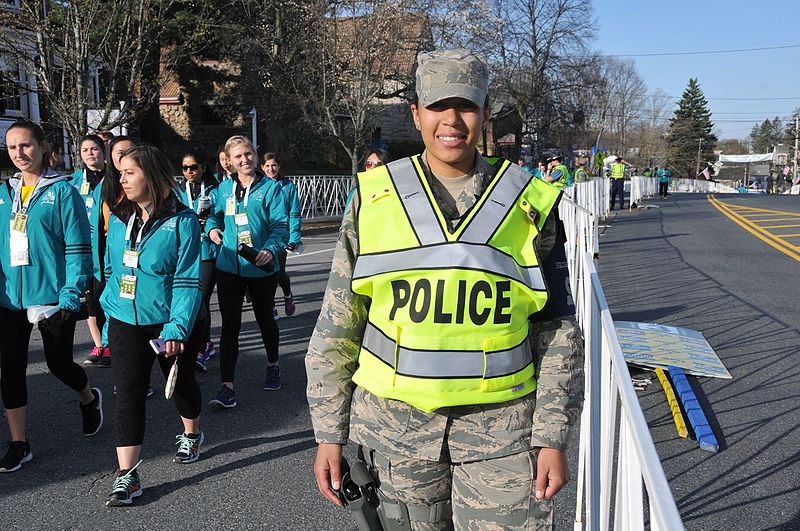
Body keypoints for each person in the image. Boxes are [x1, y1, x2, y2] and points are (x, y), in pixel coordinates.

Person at [306, 48, 584, 530]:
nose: (451, 120)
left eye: (466, 105)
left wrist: (552, 437)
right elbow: (338, 325)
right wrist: (329, 432)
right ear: (415, 114)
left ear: (485, 113)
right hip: (396, 437)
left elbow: (556, 330)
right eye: (437, 105)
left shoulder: (531, 203)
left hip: (503, 439)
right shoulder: (373, 199)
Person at [101, 145, 205, 506]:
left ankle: (191, 433)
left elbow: (188, 280)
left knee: (181, 384)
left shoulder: (184, 221)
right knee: (128, 393)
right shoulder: (118, 216)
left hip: (167, 324)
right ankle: (127, 476)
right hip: (125, 321)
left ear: (151, 175)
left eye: (130, 172)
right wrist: (109, 307)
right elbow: (112, 268)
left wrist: (177, 328)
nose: (122, 179)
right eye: (121, 173)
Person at [0, 120, 103, 473]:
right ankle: (19, 443)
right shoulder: (4, 193)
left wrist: (72, 294)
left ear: (43, 147)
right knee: (10, 367)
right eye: (12, 147)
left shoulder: (63, 192)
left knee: (59, 364)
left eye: (26, 145)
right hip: (11, 298)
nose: (19, 154)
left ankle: (88, 399)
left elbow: (77, 248)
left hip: (53, 297)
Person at [206, 135, 288, 406]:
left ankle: (273, 364)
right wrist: (212, 229)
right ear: (229, 161)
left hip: (261, 266)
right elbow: (214, 215)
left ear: (255, 155)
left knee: (265, 319)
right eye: (238, 156)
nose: (245, 159)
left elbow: (280, 227)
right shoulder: (223, 189)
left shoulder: (271, 189)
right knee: (230, 326)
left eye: (249, 154)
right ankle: (227, 387)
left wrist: (271, 249)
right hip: (229, 267)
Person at [176, 148, 220, 371]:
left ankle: (204, 345)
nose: (189, 171)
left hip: (207, 251)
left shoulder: (215, 189)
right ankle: (195, 341)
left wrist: (210, 223)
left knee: (200, 299)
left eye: (193, 167)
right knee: (189, 299)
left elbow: (221, 215)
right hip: (186, 253)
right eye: (185, 168)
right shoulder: (178, 191)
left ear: (203, 167)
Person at [72, 134, 111, 367]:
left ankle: (110, 344)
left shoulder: (115, 178)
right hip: (84, 246)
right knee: (90, 300)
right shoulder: (75, 182)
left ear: (103, 151)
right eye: (85, 150)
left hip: (107, 245)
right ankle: (99, 344)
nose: (89, 153)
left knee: (107, 296)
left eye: (94, 149)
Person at [261, 152, 302, 319]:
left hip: (280, 236)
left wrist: (294, 238)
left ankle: (287, 294)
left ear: (278, 166)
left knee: (278, 273)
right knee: (264, 274)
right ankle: (270, 307)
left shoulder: (288, 186)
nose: (271, 169)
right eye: (267, 166)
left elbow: (294, 213)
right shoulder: (258, 186)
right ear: (262, 168)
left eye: (274, 165)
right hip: (262, 236)